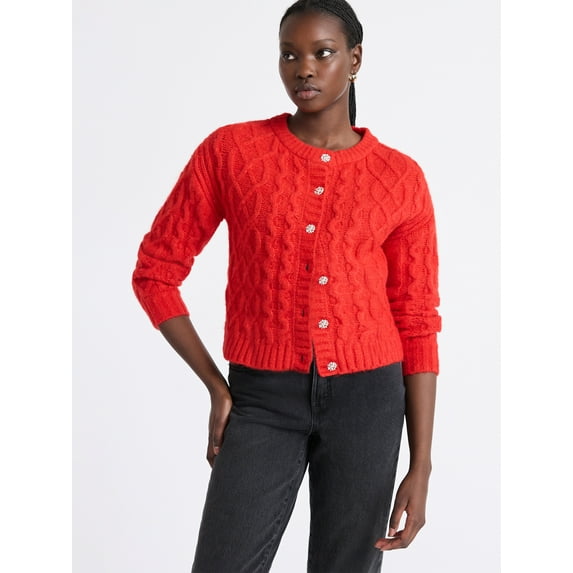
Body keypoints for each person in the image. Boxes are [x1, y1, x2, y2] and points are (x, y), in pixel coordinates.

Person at [132, 0, 441, 571]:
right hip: (261, 397)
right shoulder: (232, 152)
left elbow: (417, 320)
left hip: (370, 402)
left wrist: (420, 465)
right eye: (289, 55)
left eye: (323, 53)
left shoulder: (400, 178)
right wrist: (216, 385)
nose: (304, 68)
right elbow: (155, 272)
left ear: (355, 60)